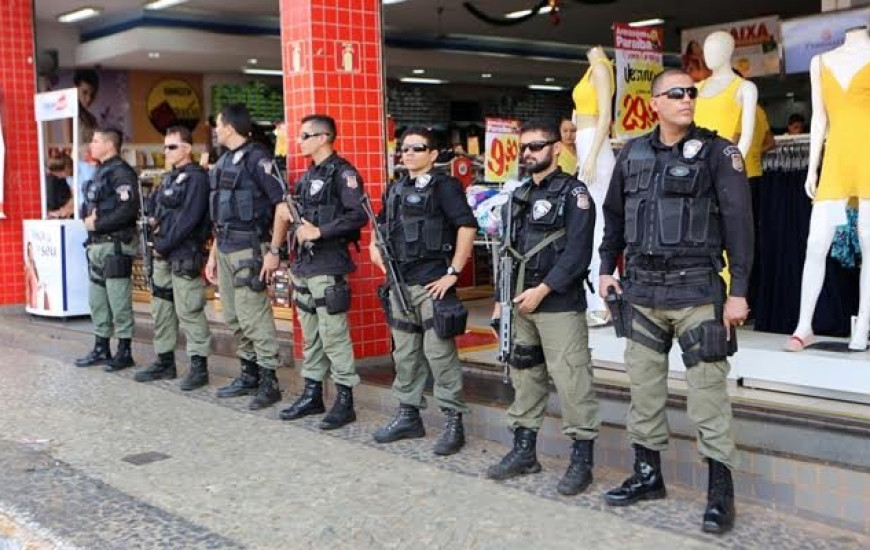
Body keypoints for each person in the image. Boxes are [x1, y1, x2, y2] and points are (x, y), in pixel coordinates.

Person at [598, 68, 753, 535]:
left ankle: (719, 494)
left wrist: (739, 291)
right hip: (642, 293)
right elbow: (614, 217)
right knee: (644, 393)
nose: (688, 99)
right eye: (677, 93)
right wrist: (607, 268)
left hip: (696, 293)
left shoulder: (719, 152)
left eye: (692, 92)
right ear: (655, 103)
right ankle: (648, 476)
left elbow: (740, 224)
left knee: (708, 398)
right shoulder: (633, 152)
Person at [485, 119, 600, 496]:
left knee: (571, 381)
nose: (529, 153)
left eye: (537, 146)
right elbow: (505, 254)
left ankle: (581, 461)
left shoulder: (574, 193)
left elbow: (578, 252)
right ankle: (524, 452)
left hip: (558, 305)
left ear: (555, 148)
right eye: (524, 147)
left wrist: (544, 289)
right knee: (525, 378)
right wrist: (502, 301)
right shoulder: (517, 196)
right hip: (519, 306)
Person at [368, 126, 477, 456]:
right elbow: (380, 229)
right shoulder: (395, 188)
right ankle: (408, 415)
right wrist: (379, 259)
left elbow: (467, 226)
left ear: (433, 154)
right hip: (400, 284)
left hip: (433, 285)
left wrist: (453, 273)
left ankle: (453, 421)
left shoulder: (446, 187)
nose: (409, 153)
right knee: (405, 355)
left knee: (440, 355)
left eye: (417, 148)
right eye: (405, 148)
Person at [262, 114, 367, 430]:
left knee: (333, 333)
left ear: (324, 137)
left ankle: (345, 400)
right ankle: (312, 394)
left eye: (305, 135)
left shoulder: (343, 173)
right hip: (304, 265)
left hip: (328, 264)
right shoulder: (307, 176)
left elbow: (359, 214)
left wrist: (320, 231)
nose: (299, 141)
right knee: (311, 335)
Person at [204, 103, 286, 410]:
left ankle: (270, 381)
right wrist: (212, 255)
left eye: (217, 124)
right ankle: (249, 373)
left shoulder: (258, 158)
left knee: (254, 317)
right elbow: (220, 215)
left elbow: (282, 206)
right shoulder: (223, 160)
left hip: (250, 248)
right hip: (225, 246)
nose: (215, 129)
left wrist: (274, 251)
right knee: (234, 318)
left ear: (229, 126)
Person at [134, 126, 213, 391]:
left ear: (188, 149)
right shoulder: (169, 178)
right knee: (162, 309)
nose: (165, 151)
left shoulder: (197, 178)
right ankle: (165, 360)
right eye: (164, 146)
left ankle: (199, 367)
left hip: (183, 252)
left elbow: (189, 219)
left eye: (172, 147)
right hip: (164, 253)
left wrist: (163, 244)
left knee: (189, 309)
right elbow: (155, 209)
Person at [74, 127, 141, 372]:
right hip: (97, 245)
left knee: (118, 299)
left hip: (114, 245)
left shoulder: (122, 173)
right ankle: (101, 347)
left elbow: (127, 209)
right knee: (98, 301)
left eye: (95, 140)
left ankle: (125, 351)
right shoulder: (100, 172)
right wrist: (88, 220)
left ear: (109, 145)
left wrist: (98, 223)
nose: (90, 144)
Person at [45, 154, 74, 219]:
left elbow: (84, 199)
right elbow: (74, 197)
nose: (59, 177)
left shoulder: (86, 172)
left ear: (67, 167)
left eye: (59, 173)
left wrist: (66, 210)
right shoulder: (69, 178)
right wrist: (62, 211)